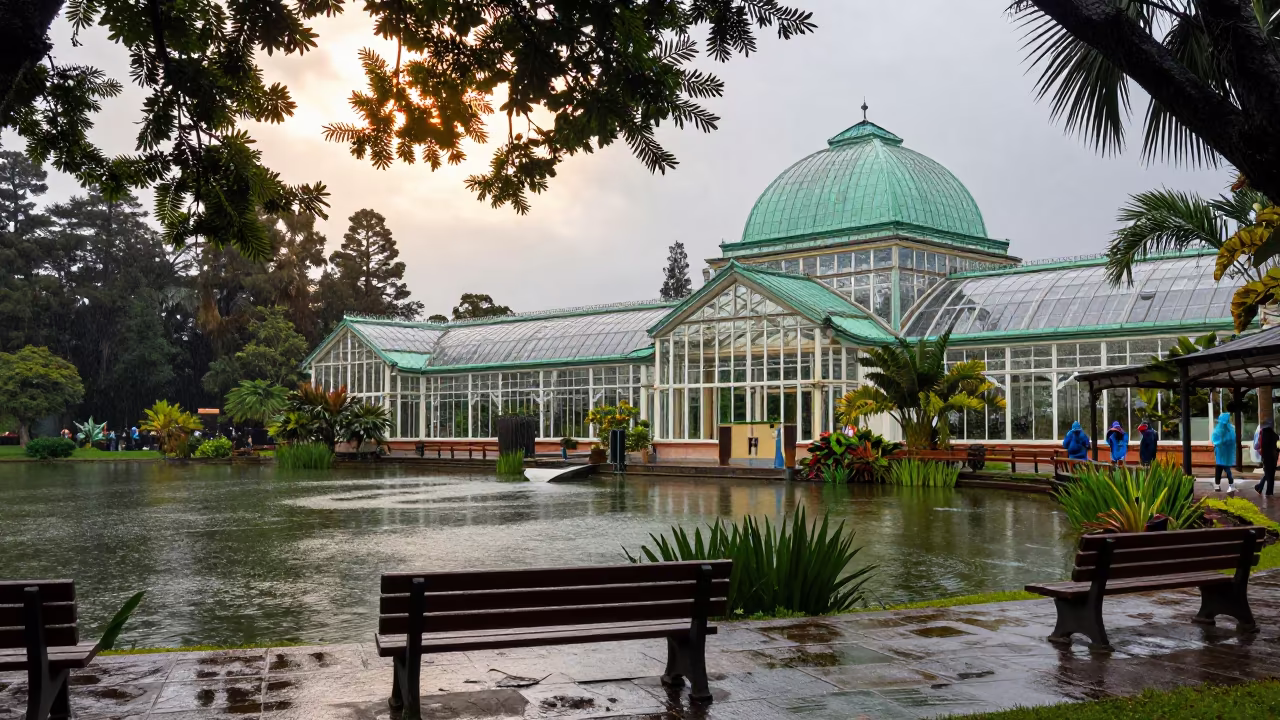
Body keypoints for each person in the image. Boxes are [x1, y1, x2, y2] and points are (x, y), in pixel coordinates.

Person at [1211, 412, 1238, 493]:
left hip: (1220, 453)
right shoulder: (1230, 430)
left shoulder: (1218, 430)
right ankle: (1231, 485)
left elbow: (1215, 441)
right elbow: (1233, 440)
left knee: (1219, 469)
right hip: (1226, 454)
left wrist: (1221, 442)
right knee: (1227, 469)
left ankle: (1217, 485)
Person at [1255, 419, 1279, 496]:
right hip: (1273, 457)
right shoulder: (1275, 435)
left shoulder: (1262, 434)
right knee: (1271, 474)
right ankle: (1268, 491)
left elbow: (1257, 446)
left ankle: (1260, 487)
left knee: (1268, 473)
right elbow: (1278, 447)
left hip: (1265, 457)